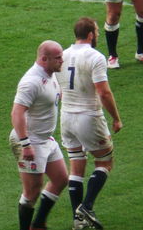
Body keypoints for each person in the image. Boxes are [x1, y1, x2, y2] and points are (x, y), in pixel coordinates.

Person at [55, 17, 123, 230]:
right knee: (104, 162)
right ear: (91, 34)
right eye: (97, 32)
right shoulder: (95, 57)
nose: (99, 36)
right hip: (89, 117)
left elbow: (57, 88)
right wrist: (116, 118)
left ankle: (78, 221)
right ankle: (87, 206)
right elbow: (103, 92)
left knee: (76, 166)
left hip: (66, 117)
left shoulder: (62, 55)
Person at [9, 40, 69, 230]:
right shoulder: (32, 81)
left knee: (61, 179)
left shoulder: (49, 74)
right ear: (44, 59)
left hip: (45, 139)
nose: (62, 60)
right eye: (58, 57)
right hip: (30, 140)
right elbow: (16, 112)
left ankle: (38, 224)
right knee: (32, 192)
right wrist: (26, 144)